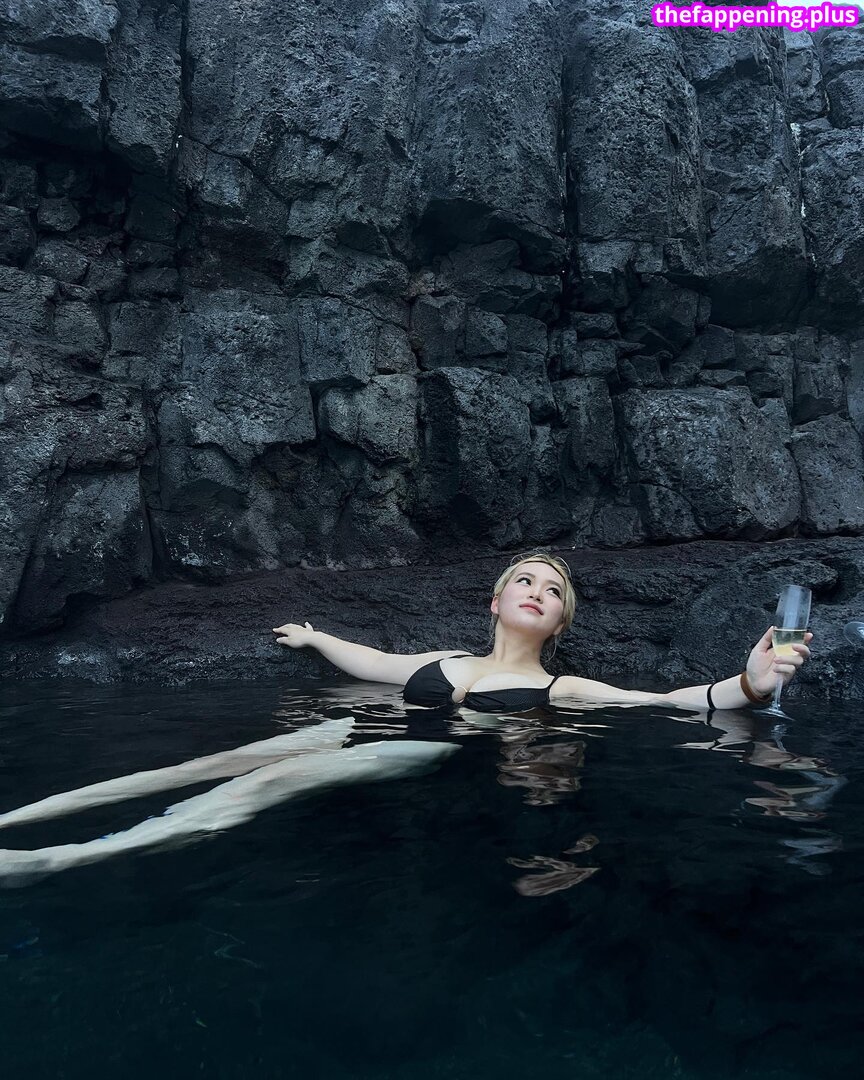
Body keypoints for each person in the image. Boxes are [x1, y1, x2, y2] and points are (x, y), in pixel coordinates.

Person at [273, 551, 813, 713]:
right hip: (362, 735)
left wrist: (750, 684)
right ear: (496, 602)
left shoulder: (561, 688)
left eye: (553, 591)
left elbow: (665, 700)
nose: (537, 592)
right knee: (245, 764)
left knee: (260, 789)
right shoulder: (446, 658)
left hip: (414, 759)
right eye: (525, 581)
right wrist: (314, 638)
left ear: (560, 623)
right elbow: (373, 662)